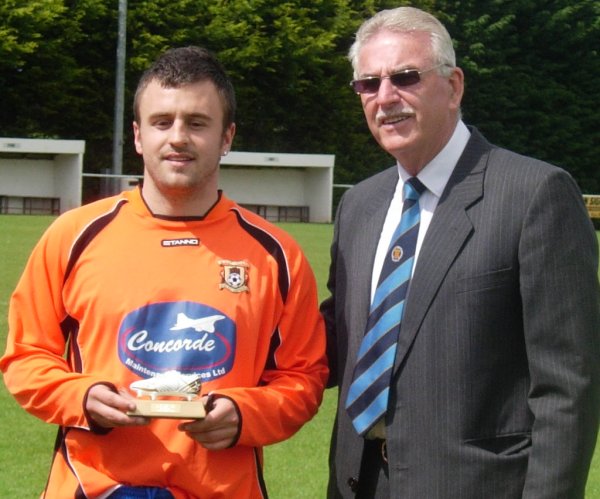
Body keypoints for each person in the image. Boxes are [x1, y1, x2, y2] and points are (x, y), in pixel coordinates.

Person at [0, 46, 328, 498]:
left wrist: (244, 412)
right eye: (162, 122)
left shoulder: (277, 255)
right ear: (138, 136)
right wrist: (81, 396)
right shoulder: (73, 236)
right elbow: (26, 356)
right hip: (92, 488)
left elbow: (304, 377)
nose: (178, 137)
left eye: (197, 123)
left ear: (226, 137)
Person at [321, 6, 600, 498]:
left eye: (405, 77)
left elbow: (567, 389)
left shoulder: (535, 194)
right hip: (359, 482)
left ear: (453, 87)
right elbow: (336, 335)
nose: (385, 98)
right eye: (368, 84)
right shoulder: (359, 206)